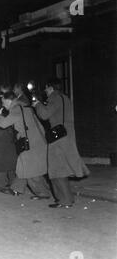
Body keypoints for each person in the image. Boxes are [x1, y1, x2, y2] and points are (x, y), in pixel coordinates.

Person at [33, 78, 89, 208]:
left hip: (58, 138)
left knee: (56, 170)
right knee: (61, 169)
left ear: (51, 88)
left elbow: (45, 114)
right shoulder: (65, 98)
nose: (45, 91)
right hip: (67, 135)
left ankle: (65, 200)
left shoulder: (54, 98)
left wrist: (37, 104)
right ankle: (66, 199)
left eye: (46, 88)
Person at [0, 91, 52, 199]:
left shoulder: (17, 109)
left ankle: (43, 193)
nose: (3, 105)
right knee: (23, 166)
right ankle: (16, 189)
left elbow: (3, 124)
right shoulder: (25, 107)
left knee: (30, 169)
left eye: (3, 102)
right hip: (36, 141)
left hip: (30, 143)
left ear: (9, 100)